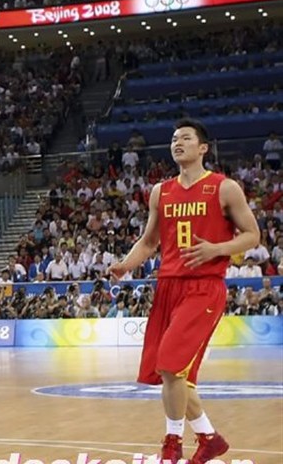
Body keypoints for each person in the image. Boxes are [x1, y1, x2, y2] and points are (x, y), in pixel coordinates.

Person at [110, 119, 260, 464]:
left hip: (204, 288)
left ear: (202, 148)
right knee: (173, 375)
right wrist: (125, 264)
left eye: (186, 138)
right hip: (167, 286)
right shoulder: (161, 192)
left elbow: (252, 235)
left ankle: (172, 444)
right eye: (174, 139)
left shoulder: (224, 188)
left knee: (170, 366)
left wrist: (217, 249)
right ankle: (209, 438)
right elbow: (149, 242)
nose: (178, 143)